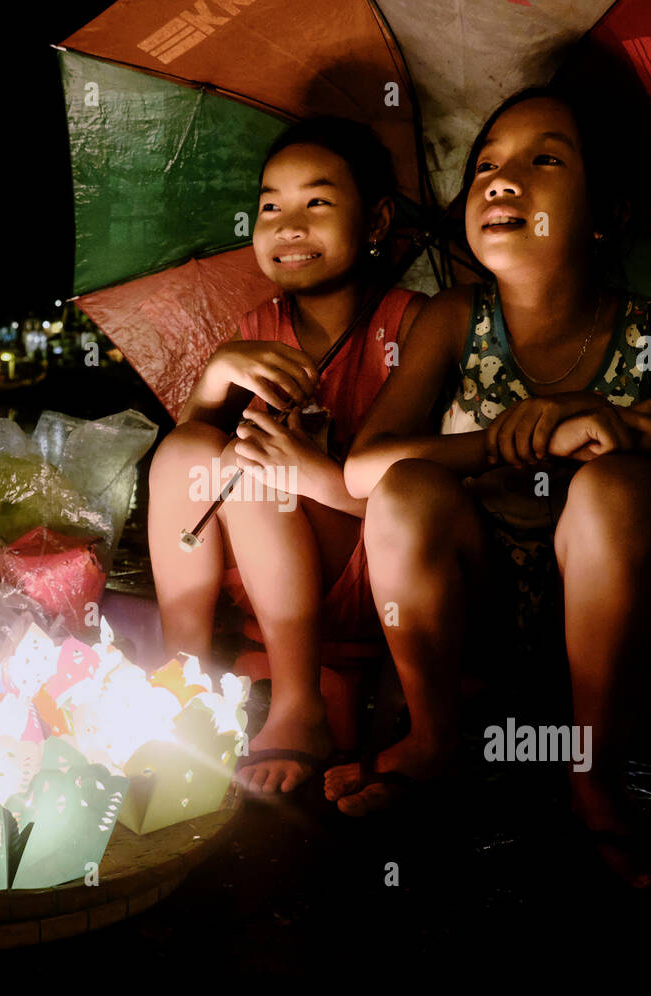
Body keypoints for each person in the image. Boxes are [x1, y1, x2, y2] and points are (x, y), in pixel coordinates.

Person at [336, 88, 651, 885]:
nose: (501, 180)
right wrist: (497, 442)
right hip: (478, 620)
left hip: (620, 638)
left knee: (619, 490)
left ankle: (594, 774)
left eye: (544, 160)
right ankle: (432, 734)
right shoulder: (454, 317)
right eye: (487, 164)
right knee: (409, 489)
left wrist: (610, 442)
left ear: (606, 213)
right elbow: (361, 469)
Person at [148, 116, 426, 796]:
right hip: (267, 559)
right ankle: (182, 673)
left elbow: (426, 493)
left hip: (369, 562)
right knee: (191, 447)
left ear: (377, 220)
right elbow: (188, 468)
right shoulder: (256, 331)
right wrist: (217, 374)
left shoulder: (412, 326)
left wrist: (308, 473)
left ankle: (300, 706)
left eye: (317, 203)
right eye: (271, 206)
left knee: (256, 473)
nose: (288, 225)